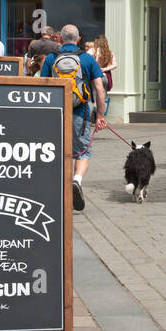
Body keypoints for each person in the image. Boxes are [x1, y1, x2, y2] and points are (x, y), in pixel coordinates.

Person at [39, 24, 106, 212]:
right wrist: (100, 115)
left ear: (60, 39)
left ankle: (58, 188)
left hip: (55, 113)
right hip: (80, 113)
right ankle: (76, 181)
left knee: (59, 151)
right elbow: (99, 90)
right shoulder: (87, 59)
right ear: (78, 40)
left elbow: (41, 89)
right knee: (83, 151)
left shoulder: (51, 59)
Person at [90, 36, 117, 118]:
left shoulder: (93, 51)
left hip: (95, 77)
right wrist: (104, 69)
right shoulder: (109, 53)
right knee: (102, 97)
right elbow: (115, 65)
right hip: (105, 77)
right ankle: (101, 117)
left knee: (93, 97)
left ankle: (90, 117)